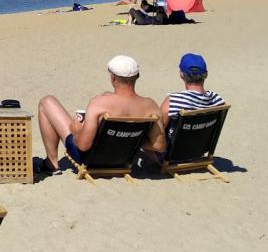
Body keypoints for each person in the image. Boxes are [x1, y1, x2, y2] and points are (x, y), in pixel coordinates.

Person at [36, 54, 164, 173]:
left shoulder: (99, 103)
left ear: (113, 78)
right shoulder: (151, 105)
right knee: (106, 94)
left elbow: (83, 146)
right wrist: (128, 140)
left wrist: (76, 131)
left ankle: (51, 163)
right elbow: (159, 145)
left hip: (92, 159)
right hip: (123, 158)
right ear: (137, 76)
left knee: (47, 102)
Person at [149, 53, 225, 165]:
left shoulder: (174, 100)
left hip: (172, 156)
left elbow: (158, 130)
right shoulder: (217, 100)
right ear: (206, 74)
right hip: (198, 152)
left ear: (181, 74)